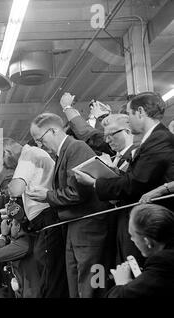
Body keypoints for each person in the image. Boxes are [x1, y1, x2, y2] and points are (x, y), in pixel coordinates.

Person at [28, 113, 112, 298]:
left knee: (91, 282)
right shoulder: (64, 153)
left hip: (88, 227)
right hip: (76, 226)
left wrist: (47, 196)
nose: (40, 146)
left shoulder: (76, 148)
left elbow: (78, 193)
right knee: (76, 280)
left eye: (40, 140)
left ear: (54, 131)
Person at [74, 92, 174, 222]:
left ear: (140, 112)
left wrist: (94, 183)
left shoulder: (159, 138)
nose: (127, 119)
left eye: (129, 114)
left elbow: (136, 183)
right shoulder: (154, 138)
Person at [0, 137, 68, 298]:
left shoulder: (28, 155)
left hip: (47, 219)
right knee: (46, 273)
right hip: (42, 222)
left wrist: (13, 190)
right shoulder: (31, 155)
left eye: (0, 161)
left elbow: (16, 189)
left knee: (48, 275)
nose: (3, 167)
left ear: (7, 152)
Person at [100, 114, 142, 265]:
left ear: (128, 132)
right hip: (117, 222)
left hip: (133, 221)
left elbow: (134, 185)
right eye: (105, 136)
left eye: (112, 134)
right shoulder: (114, 159)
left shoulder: (139, 154)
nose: (107, 140)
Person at [107, 204, 174, 297]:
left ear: (147, 241)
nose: (131, 239)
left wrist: (122, 282)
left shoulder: (162, 264)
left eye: (132, 235)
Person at [0, 203, 33, 298]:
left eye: (11, 224)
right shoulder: (22, 239)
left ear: (18, 227)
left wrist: (3, 235)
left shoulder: (23, 243)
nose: (9, 227)